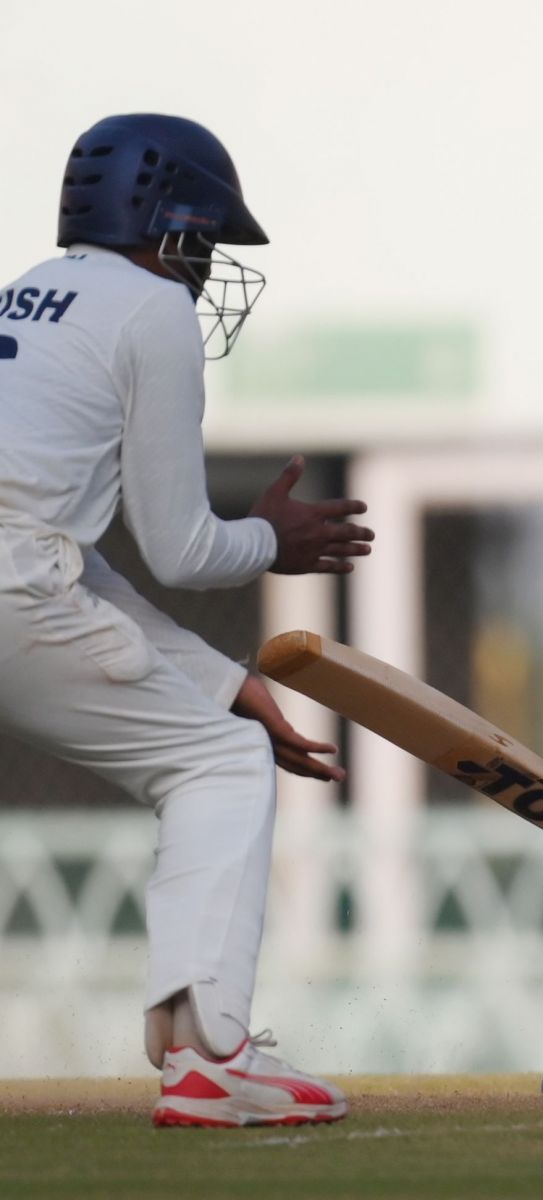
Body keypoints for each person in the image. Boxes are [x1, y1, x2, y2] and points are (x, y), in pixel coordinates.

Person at [0, 114, 373, 1127]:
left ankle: (200, 1048)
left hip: (22, 577)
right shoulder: (152, 311)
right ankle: (212, 1058)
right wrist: (273, 541)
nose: (207, 269)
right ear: (173, 227)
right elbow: (182, 553)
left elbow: (61, 559)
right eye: (206, 243)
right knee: (215, 767)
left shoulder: (31, 289)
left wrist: (225, 680)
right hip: (14, 588)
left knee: (213, 742)